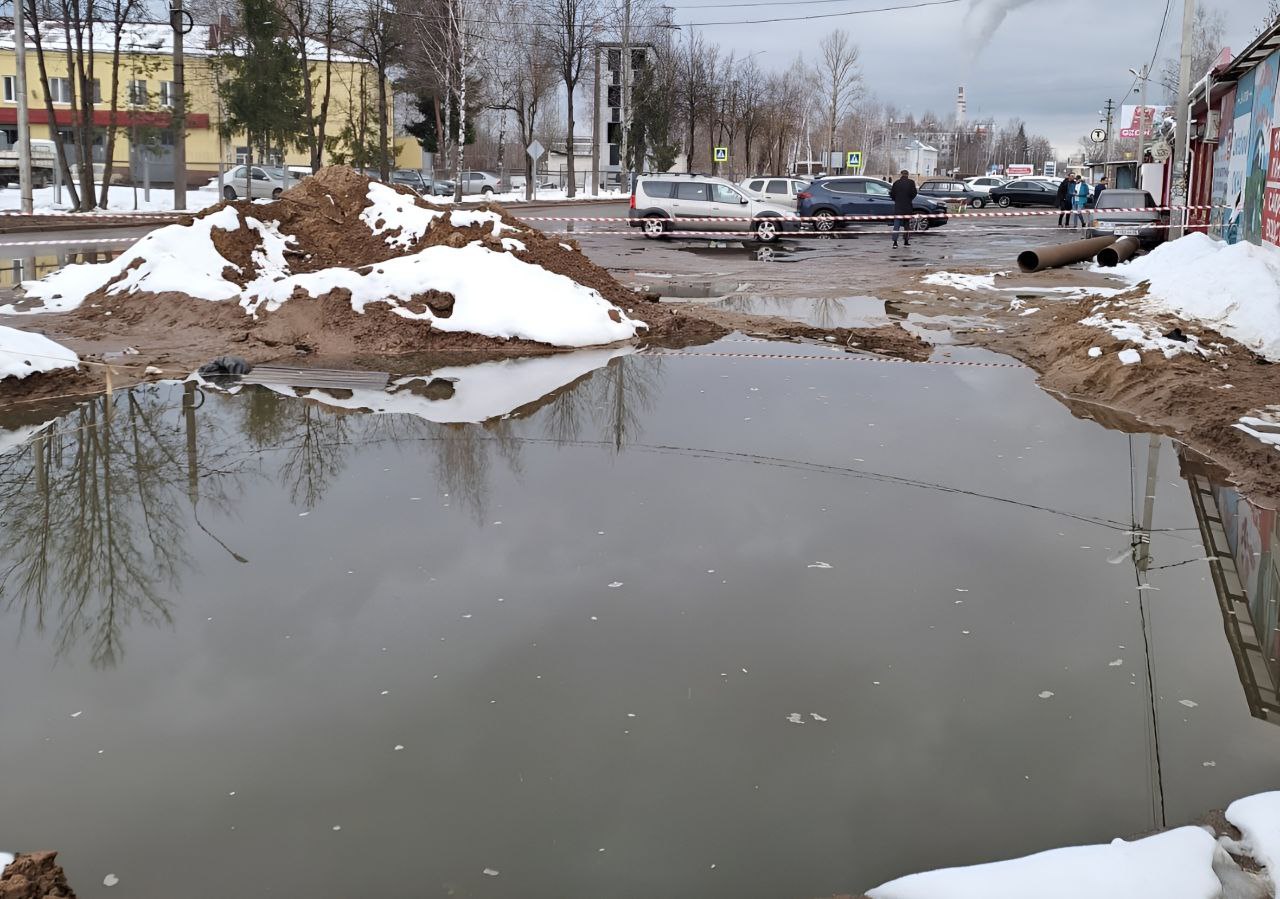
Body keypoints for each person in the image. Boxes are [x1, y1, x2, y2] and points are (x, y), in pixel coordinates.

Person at [890, 169, 917, 248]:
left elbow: (892, 194)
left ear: (901, 174)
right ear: (907, 175)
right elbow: (914, 193)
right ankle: (906, 241)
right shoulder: (911, 183)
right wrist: (909, 199)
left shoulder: (896, 183)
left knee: (896, 225)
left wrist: (897, 200)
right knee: (906, 225)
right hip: (907, 207)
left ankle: (895, 242)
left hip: (898, 207)